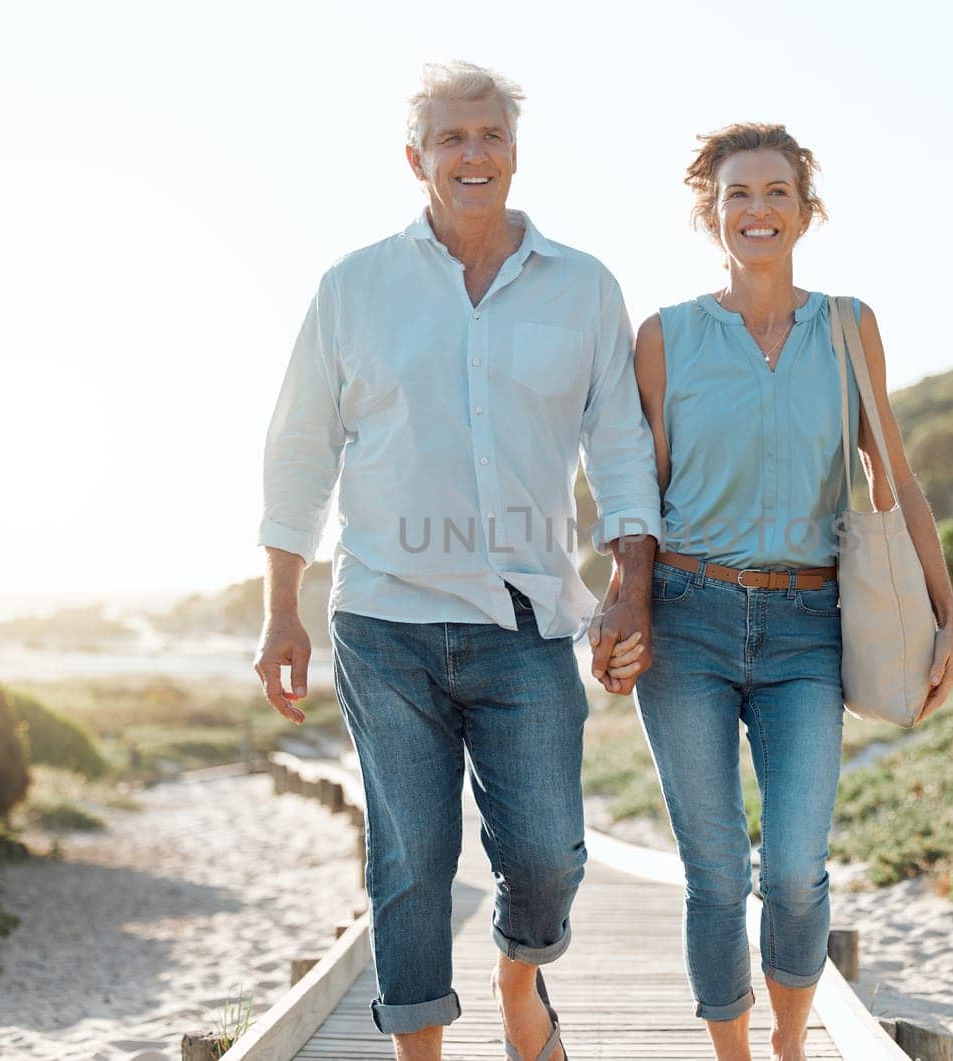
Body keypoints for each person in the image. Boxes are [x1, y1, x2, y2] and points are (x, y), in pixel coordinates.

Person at [254, 62, 661, 1061]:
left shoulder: (584, 287)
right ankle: (420, 1049)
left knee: (547, 854)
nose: (471, 152)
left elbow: (618, 445)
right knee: (411, 855)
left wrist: (630, 581)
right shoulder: (353, 288)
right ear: (415, 158)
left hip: (525, 621)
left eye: (488, 135)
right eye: (450, 137)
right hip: (382, 616)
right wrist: (281, 606)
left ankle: (519, 975)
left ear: (513, 153)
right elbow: (300, 447)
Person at [595, 123, 953, 1061]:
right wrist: (622, 599)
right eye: (736, 196)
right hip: (689, 619)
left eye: (774, 194)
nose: (756, 211)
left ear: (806, 211)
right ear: (710, 213)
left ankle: (791, 1045)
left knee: (796, 869)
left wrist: (946, 605)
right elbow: (641, 495)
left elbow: (899, 477)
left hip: (808, 626)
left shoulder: (848, 326)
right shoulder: (666, 337)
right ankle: (735, 1054)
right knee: (717, 873)